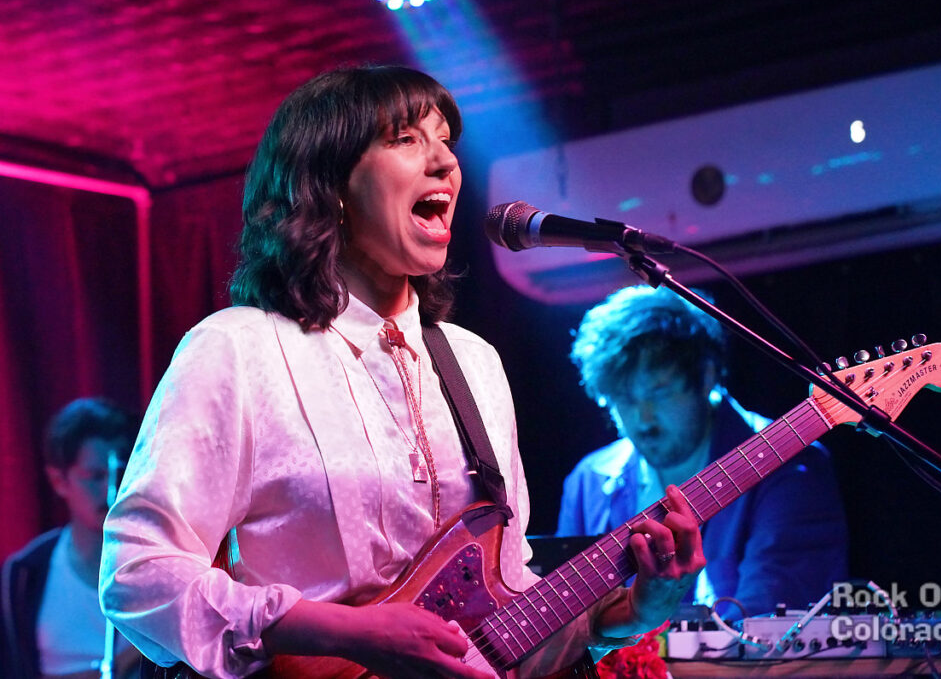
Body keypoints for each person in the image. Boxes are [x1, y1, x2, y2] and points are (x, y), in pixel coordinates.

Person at [98, 65, 706, 679]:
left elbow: (504, 613)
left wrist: (628, 613)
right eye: (406, 139)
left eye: (445, 141)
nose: (445, 162)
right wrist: (345, 632)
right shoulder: (239, 348)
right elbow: (138, 575)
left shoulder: (474, 363)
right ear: (331, 184)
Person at [557, 285, 848, 619]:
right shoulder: (589, 480)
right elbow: (569, 620)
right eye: (624, 399)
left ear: (706, 374)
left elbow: (767, 628)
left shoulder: (789, 466)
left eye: (660, 392)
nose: (643, 419)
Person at [1, 397, 138, 679]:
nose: (111, 490)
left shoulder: (161, 561)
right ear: (59, 481)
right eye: (95, 476)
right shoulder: (26, 573)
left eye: (118, 474)